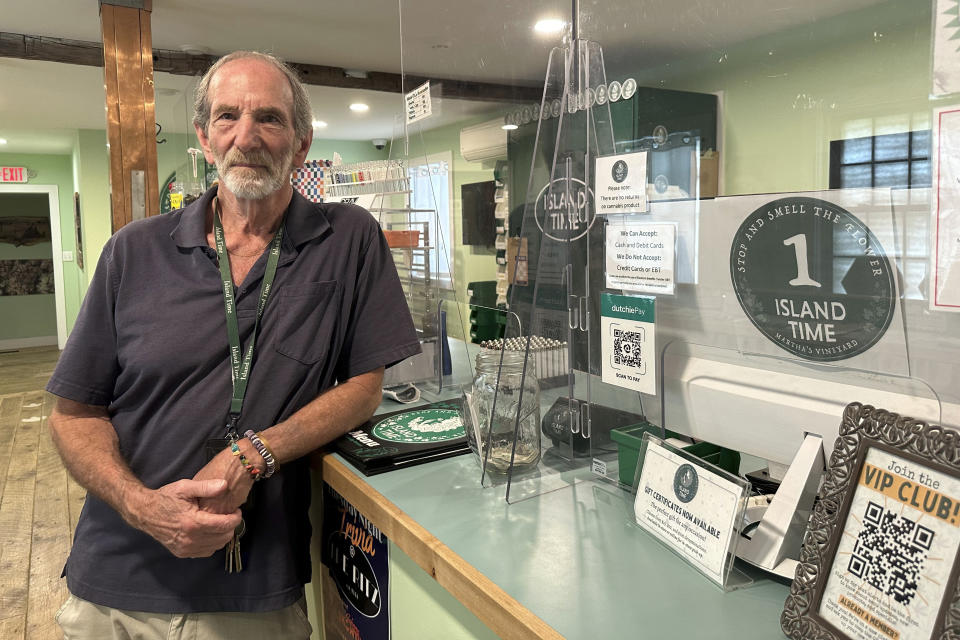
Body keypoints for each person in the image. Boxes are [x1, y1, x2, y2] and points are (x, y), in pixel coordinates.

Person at [47, 50, 420, 638]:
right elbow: (74, 413)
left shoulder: (347, 241)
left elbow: (364, 388)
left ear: (300, 143)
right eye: (227, 117)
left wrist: (255, 452)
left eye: (269, 118)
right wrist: (141, 506)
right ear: (204, 136)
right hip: (116, 581)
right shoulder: (133, 251)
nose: (246, 137)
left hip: (254, 589)